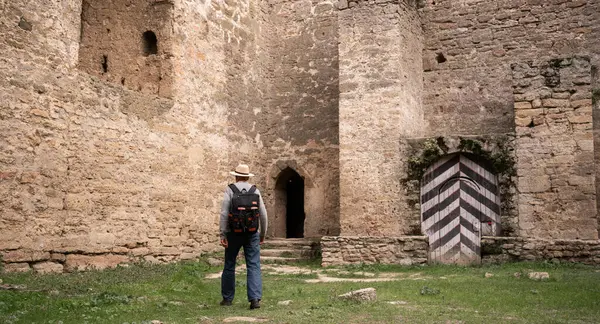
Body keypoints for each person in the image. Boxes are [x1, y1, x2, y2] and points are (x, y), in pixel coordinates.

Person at [219, 164, 268, 310]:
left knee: (229, 264)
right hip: (252, 233)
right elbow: (263, 215)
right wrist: (262, 234)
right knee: (253, 265)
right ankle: (254, 300)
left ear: (236, 176)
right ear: (247, 177)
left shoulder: (230, 190)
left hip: (234, 233)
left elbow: (224, 213)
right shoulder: (255, 191)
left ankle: (227, 299)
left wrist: (223, 233)